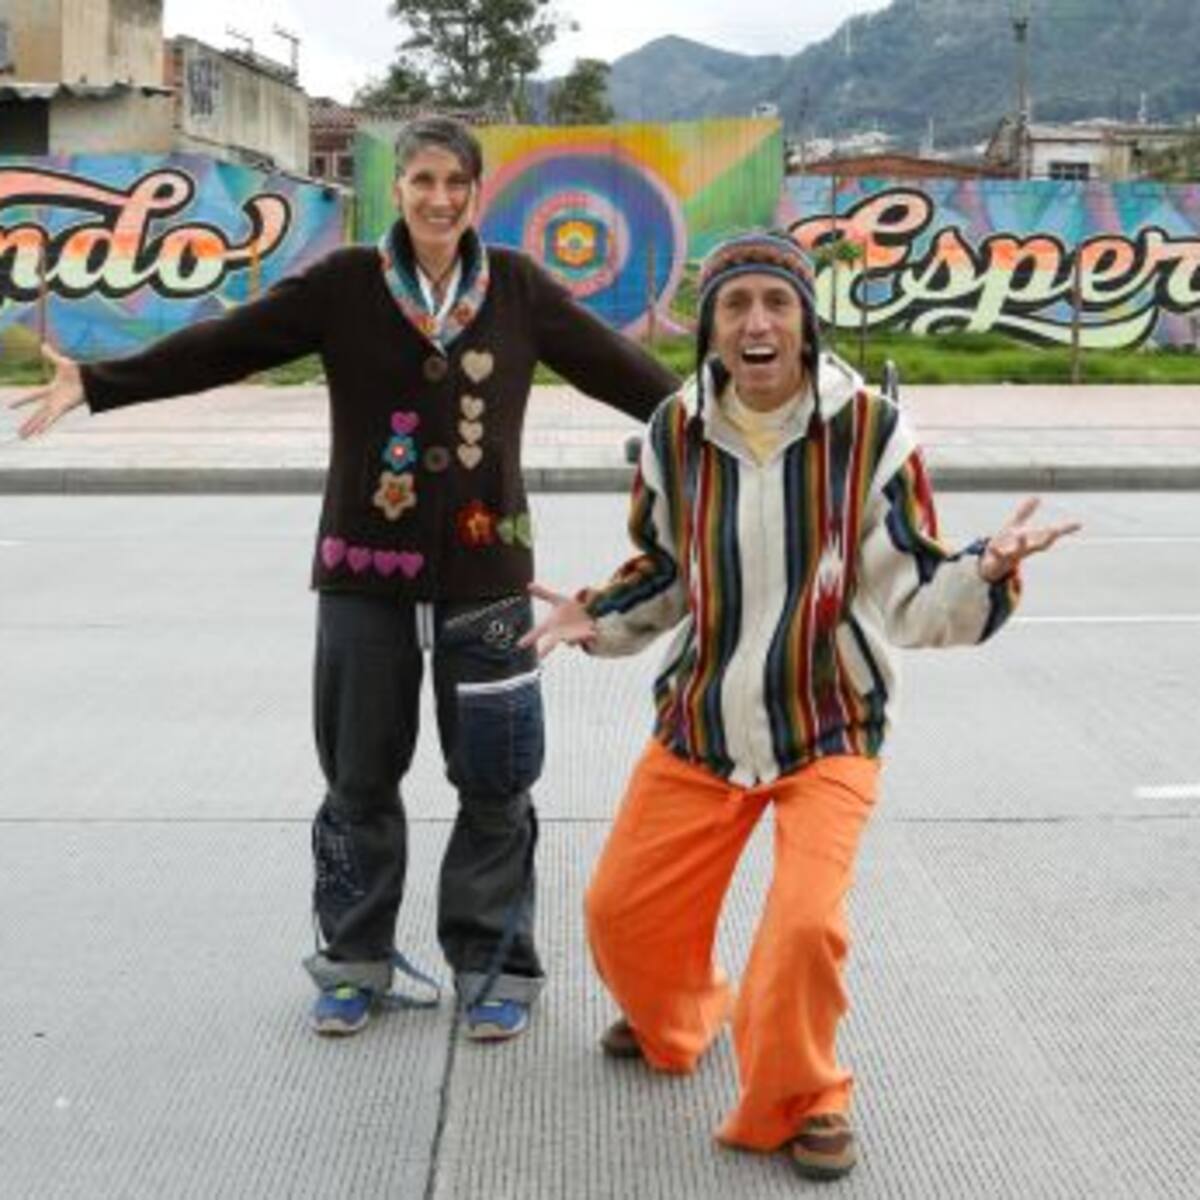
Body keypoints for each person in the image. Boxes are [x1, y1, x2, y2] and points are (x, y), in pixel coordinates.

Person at [8, 115, 679, 1042]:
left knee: (497, 778)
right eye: (422, 181)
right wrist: (99, 382)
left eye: (455, 183)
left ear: (476, 193)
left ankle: (493, 964)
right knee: (358, 776)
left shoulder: (517, 286)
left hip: (489, 573)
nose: (438, 199)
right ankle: (355, 961)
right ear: (395, 190)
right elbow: (227, 344)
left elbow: (627, 373)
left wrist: (733, 418)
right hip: (363, 572)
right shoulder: (345, 285)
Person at [521, 232, 1079, 1179]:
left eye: (776, 304)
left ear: (805, 323)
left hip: (828, 724)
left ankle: (806, 1097)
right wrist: (597, 614)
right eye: (735, 306)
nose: (757, 323)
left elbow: (910, 593)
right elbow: (666, 568)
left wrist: (982, 571)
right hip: (702, 722)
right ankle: (679, 1016)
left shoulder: (870, 432)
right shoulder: (673, 431)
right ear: (711, 330)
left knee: (804, 929)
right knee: (619, 914)